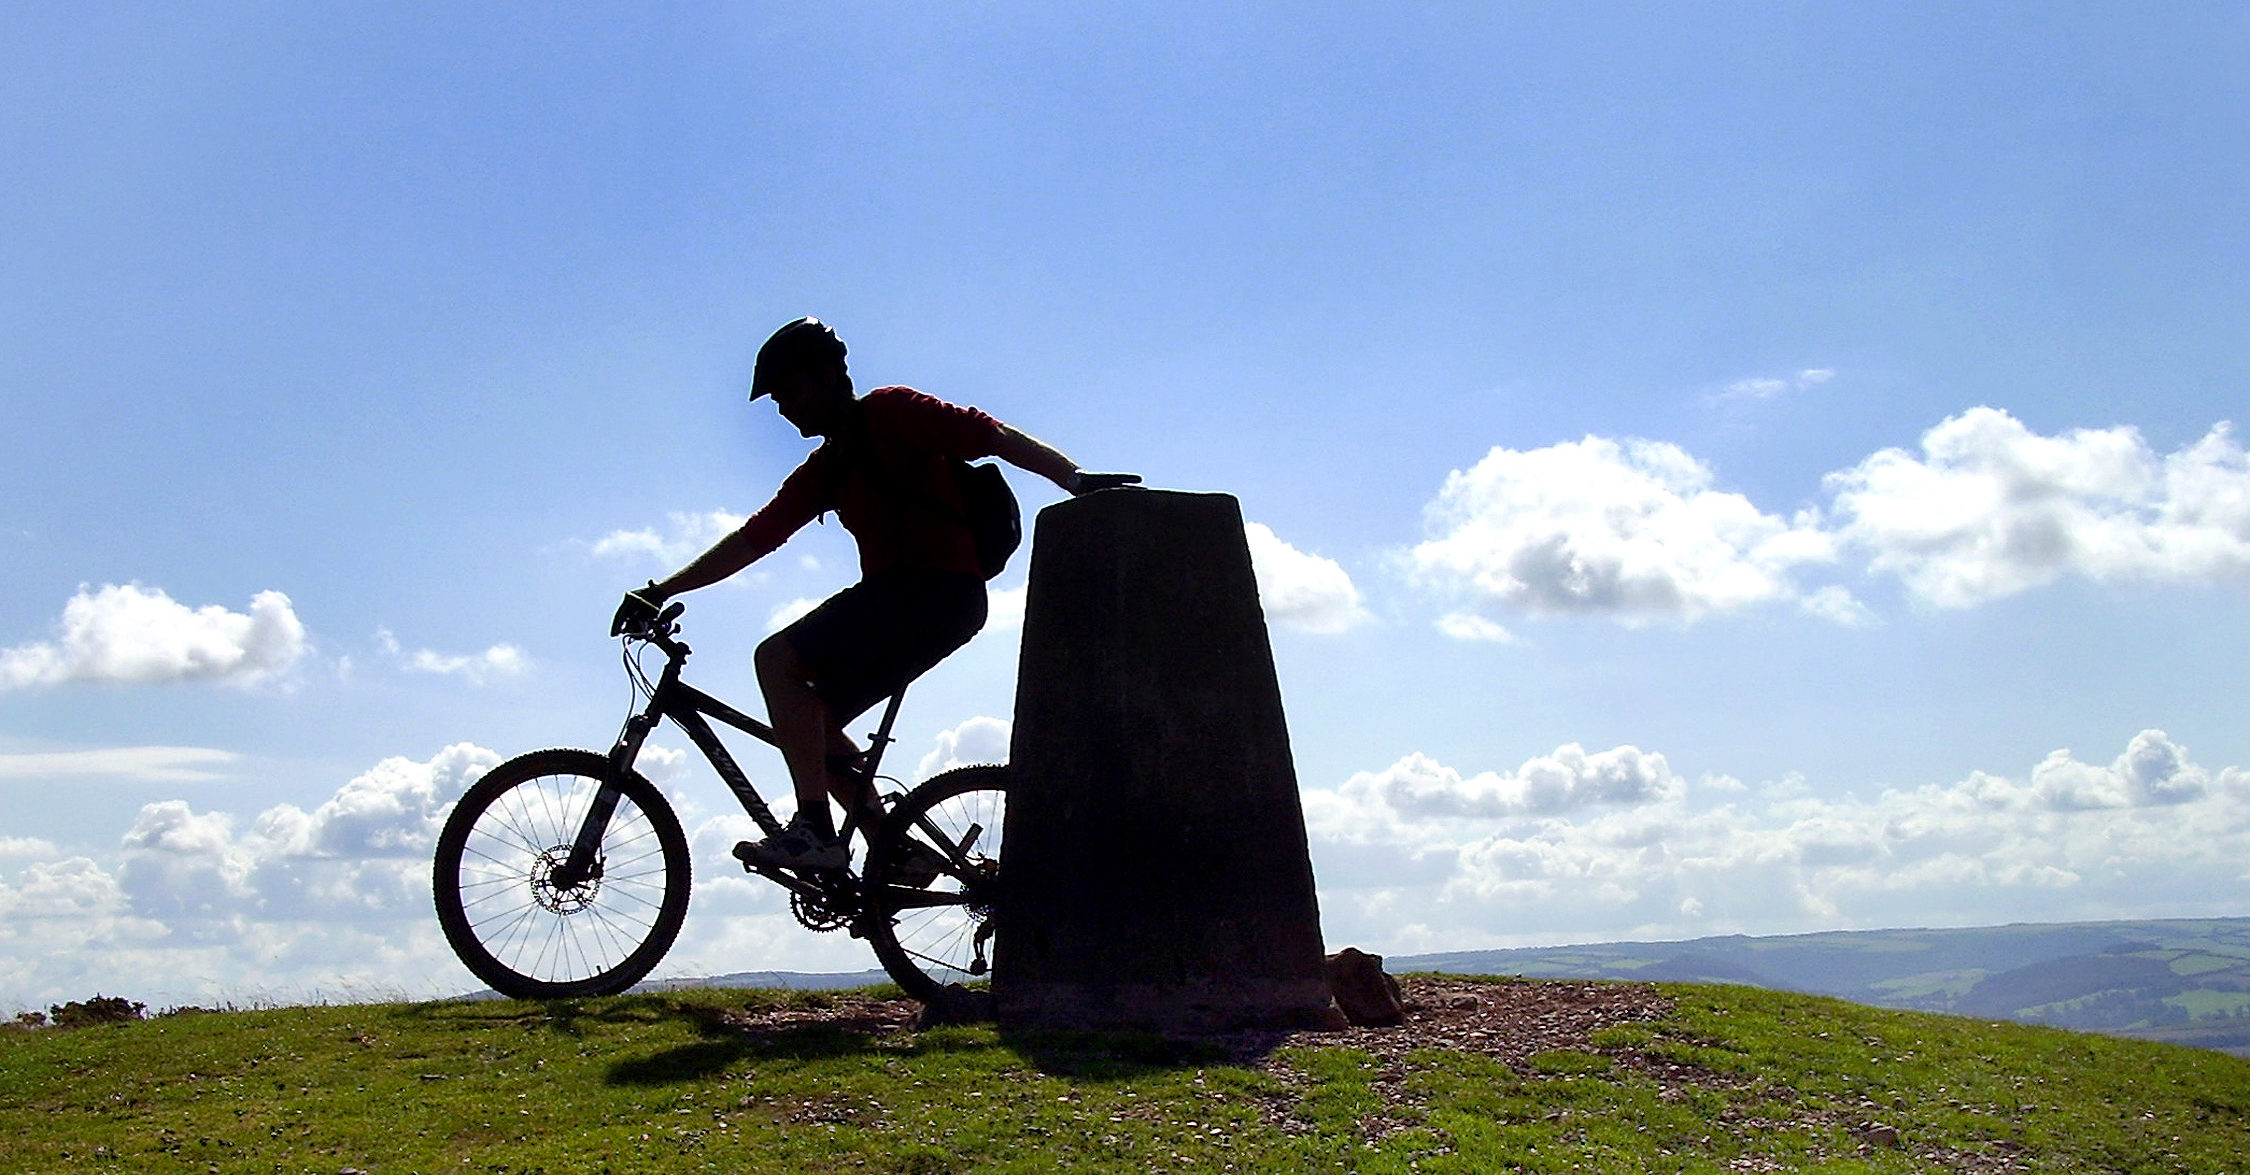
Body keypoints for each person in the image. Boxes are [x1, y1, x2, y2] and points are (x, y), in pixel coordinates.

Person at [612, 318, 1138, 871]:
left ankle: (815, 831)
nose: (783, 408)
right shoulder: (826, 468)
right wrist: (661, 589)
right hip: (913, 600)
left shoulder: (892, 412)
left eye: (789, 391)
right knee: (808, 722)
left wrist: (1074, 479)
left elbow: (992, 435)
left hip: (933, 593)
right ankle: (895, 851)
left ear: (827, 375)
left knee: (775, 660)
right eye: (776, 400)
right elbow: (754, 538)